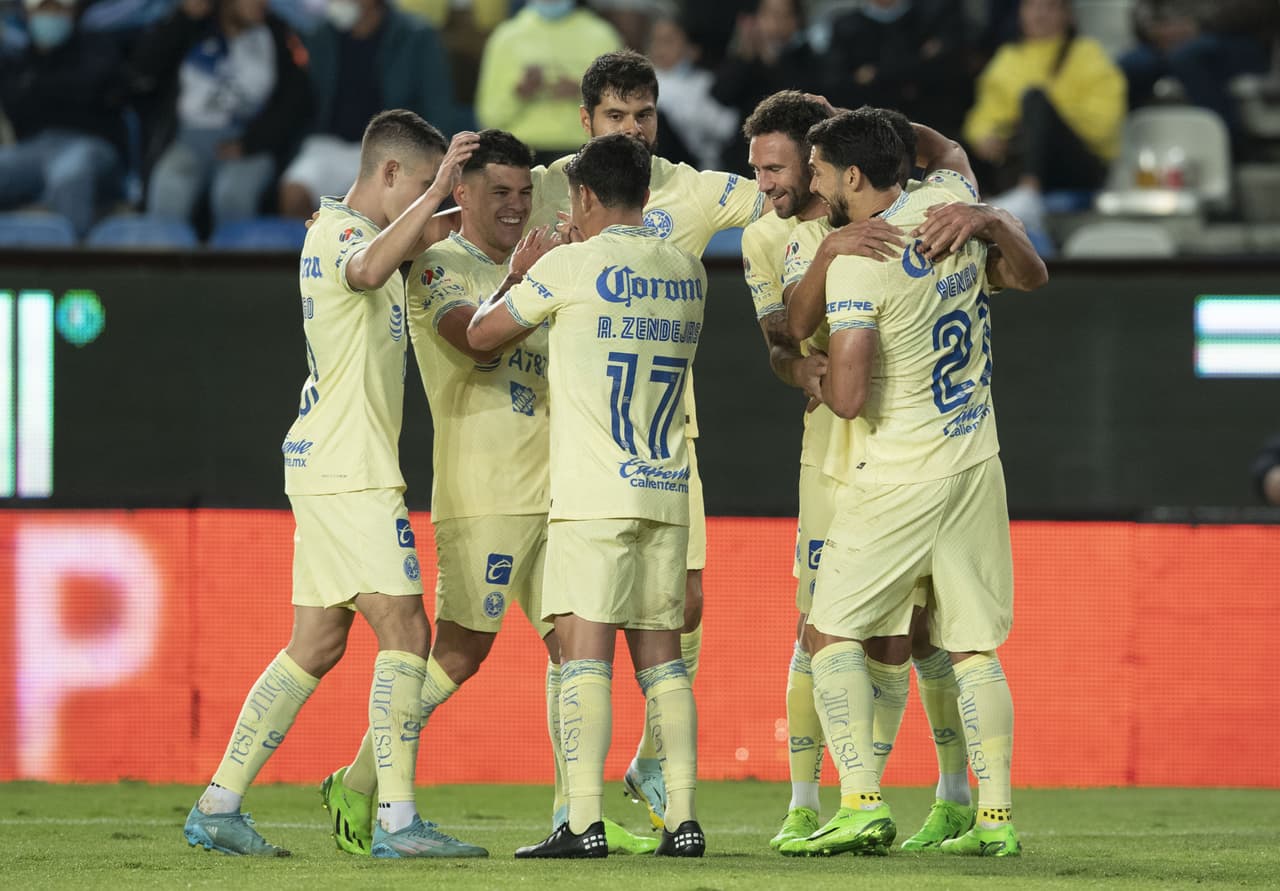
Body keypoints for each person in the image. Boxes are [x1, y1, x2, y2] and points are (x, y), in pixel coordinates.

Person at [181, 111, 488, 859]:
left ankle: (218, 804)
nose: (426, 199)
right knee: (408, 631)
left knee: (316, 642)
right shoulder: (336, 237)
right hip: (349, 470)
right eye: (418, 184)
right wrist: (441, 187)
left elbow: (431, 235)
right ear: (388, 175)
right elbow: (370, 267)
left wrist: (480, 199)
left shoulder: (365, 230)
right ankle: (396, 821)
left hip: (332, 464)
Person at [777, 107, 1047, 857]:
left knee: (829, 633)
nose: (813, 180)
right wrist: (991, 216)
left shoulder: (863, 262)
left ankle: (861, 798)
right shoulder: (949, 206)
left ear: (853, 177)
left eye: (822, 169)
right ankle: (994, 819)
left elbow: (852, 399)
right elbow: (1033, 273)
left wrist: (820, 376)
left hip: (897, 475)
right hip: (976, 465)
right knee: (973, 648)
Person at [524, 49, 766, 830]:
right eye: (617, 117)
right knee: (572, 637)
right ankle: (575, 806)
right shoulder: (544, 188)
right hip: (565, 443)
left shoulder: (690, 191)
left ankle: (644, 773)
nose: (633, 129)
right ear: (587, 122)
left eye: (645, 115)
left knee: (677, 615)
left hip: (663, 441)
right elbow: (468, 219)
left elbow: (785, 193)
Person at [745, 95, 981, 852]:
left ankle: (941, 795)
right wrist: (801, 373)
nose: (767, 184)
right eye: (760, 170)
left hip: (908, 447)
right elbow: (781, 345)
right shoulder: (766, 238)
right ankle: (808, 799)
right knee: (820, 622)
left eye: (779, 168)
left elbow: (943, 153)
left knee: (921, 630)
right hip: (832, 453)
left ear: (826, 167)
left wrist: (882, 131)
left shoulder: (898, 213)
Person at [468, 132, 708, 859]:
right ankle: (685, 821)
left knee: (584, 659)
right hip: (666, 486)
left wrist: (520, 271)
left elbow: (481, 336)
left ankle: (581, 822)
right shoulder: (688, 271)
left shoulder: (567, 266)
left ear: (581, 195)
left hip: (592, 493)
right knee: (663, 659)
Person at [129, 0, 311, 231]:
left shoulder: (278, 32)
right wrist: (181, 18)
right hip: (187, 141)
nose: (262, 3)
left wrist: (251, 142)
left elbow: (295, 102)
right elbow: (143, 71)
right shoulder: (193, 26)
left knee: (232, 195)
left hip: (249, 142)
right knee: (168, 192)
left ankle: (238, 266)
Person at [277, 0, 460, 218]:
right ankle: (314, 251)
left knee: (379, 208)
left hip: (390, 149)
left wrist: (431, 161)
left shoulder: (416, 35)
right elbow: (300, 100)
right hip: (327, 146)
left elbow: (438, 106)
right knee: (294, 195)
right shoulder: (321, 34)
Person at [962, 0, 1125, 236]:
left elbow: (1103, 125)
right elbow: (983, 115)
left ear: (1067, 15)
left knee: (1035, 99)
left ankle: (1030, 192)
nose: (1039, 15)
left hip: (1078, 163)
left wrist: (1045, 117)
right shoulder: (1008, 57)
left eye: (1049, 7)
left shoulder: (1088, 54)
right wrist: (986, 137)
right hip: (1019, 154)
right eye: (1031, 7)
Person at [0, 0, 126, 236]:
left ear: (72, 12)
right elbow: (15, 106)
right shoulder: (18, 59)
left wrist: (36, 85)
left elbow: (90, 89)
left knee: (70, 171)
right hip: (33, 148)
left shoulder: (98, 46)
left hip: (93, 146)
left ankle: (69, 265)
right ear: (27, 14)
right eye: (43, 10)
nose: (50, 17)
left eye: (57, 9)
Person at [474, 0, 622, 166]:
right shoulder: (505, 37)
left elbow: (620, 108)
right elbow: (488, 116)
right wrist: (521, 93)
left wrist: (584, 92)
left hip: (583, 149)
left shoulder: (602, 35)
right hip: (519, 153)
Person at [1119, 0, 1275, 146]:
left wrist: (1197, 27)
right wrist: (1154, 30)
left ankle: (1226, 143)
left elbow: (1259, 7)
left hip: (1233, 36)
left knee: (1189, 57)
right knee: (1130, 65)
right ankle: (1131, 145)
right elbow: (1141, 9)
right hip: (1165, 40)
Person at [821, 0, 973, 141]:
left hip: (932, 123)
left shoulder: (930, 17)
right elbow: (839, 84)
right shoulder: (846, 26)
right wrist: (913, 64)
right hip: (867, 131)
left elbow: (941, 71)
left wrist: (876, 74)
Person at [648, 9, 739, 171]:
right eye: (656, 41)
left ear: (692, 49)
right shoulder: (642, 81)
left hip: (698, 167)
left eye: (668, 41)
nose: (660, 48)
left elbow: (728, 128)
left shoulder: (705, 83)